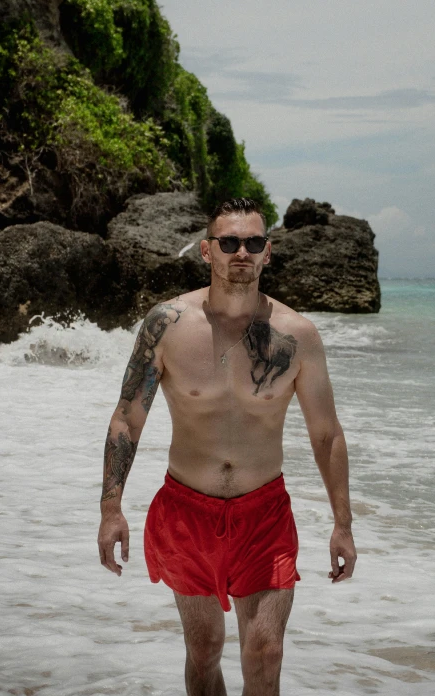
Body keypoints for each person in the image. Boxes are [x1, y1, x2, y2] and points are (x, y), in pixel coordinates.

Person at [98, 197, 356, 696]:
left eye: (254, 242)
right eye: (230, 242)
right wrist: (111, 509)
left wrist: (342, 525)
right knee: (203, 653)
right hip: (185, 513)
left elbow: (326, 434)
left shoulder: (297, 335)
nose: (242, 252)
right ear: (206, 251)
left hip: (265, 515)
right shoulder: (167, 325)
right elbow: (128, 418)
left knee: (265, 655)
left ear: (268, 253)